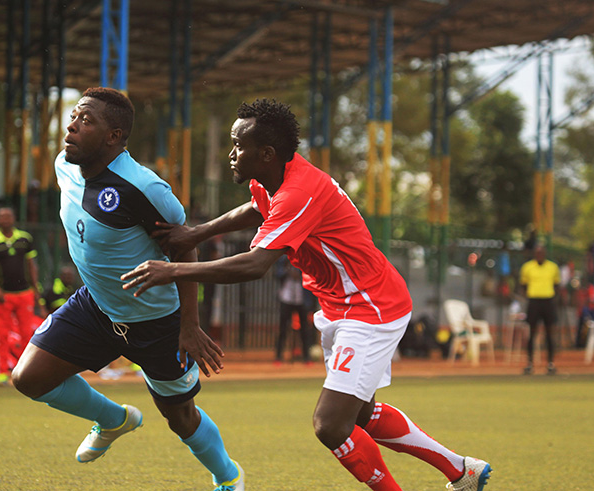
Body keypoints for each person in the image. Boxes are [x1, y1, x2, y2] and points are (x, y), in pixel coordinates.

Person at [122, 99, 490, 491]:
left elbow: (254, 265)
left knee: (330, 424)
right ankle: (462, 470)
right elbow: (255, 208)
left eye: (237, 145)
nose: (230, 153)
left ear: (266, 154)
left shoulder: (298, 192)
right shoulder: (272, 180)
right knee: (361, 415)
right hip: (339, 306)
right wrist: (198, 232)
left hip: (371, 307)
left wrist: (172, 270)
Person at [10, 87, 244, 491]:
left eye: (86, 120)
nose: (71, 127)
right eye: (73, 117)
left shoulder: (144, 188)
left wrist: (190, 324)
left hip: (157, 322)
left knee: (181, 419)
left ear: (114, 135)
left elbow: (185, 247)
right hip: (97, 308)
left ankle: (228, 476)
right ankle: (114, 419)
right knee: (28, 378)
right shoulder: (64, 164)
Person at [0, 207, 40, 385]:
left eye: (8, 216)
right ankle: (2, 372)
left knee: (27, 334)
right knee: (2, 335)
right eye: (1, 217)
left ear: (13, 218)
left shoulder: (24, 239)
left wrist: (35, 288)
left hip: (24, 294)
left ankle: (25, 372)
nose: (5, 220)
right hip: (3, 296)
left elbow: (31, 264)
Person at [519, 245, 561, 375]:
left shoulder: (553, 267)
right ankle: (530, 363)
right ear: (534, 254)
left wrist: (554, 299)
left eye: (541, 252)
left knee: (549, 333)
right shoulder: (527, 267)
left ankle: (550, 363)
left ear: (545, 253)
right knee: (532, 333)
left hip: (548, 301)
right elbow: (523, 285)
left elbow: (557, 285)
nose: (539, 255)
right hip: (534, 302)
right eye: (537, 253)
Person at [275, 257, 313, 364]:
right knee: (283, 329)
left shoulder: (305, 258)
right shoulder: (283, 259)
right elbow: (277, 274)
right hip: (286, 298)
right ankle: (278, 356)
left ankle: (307, 357)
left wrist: (299, 275)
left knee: (304, 330)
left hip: (301, 299)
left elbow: (311, 275)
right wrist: (288, 272)